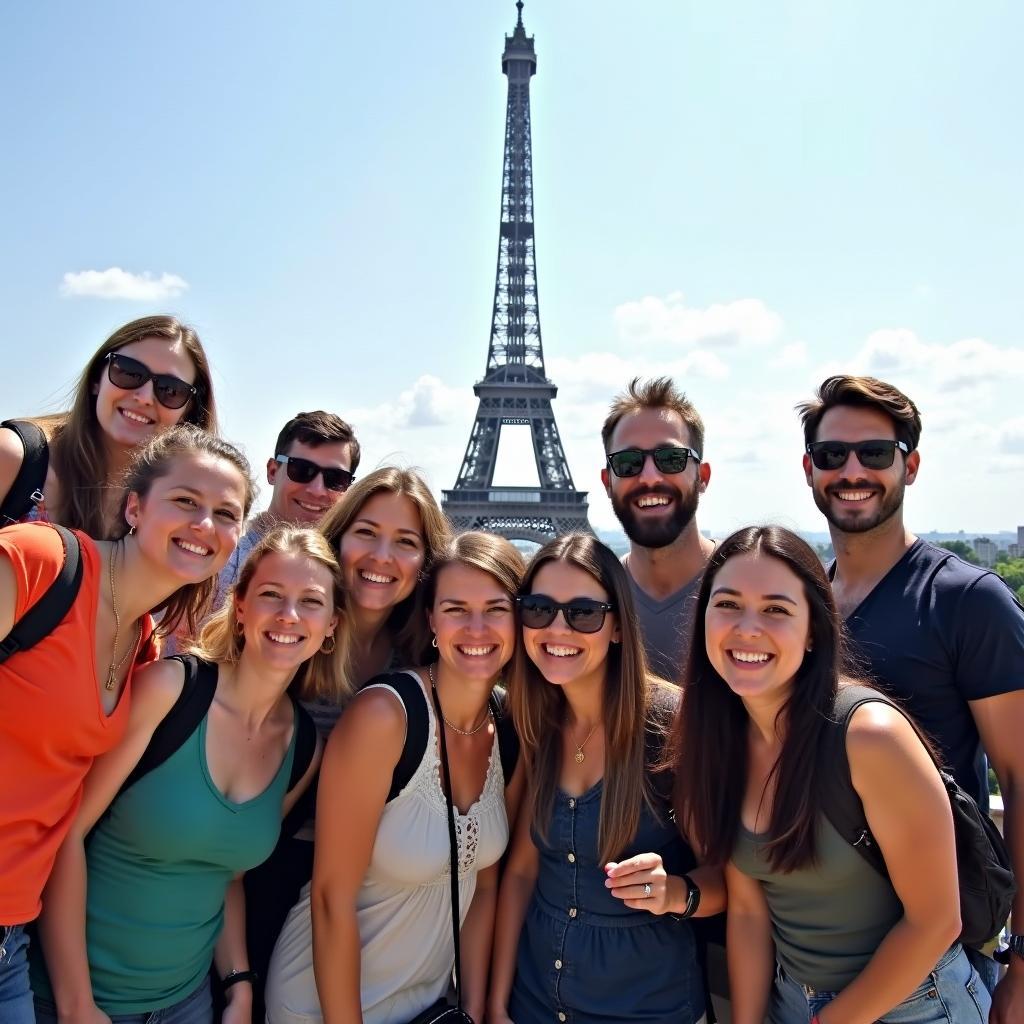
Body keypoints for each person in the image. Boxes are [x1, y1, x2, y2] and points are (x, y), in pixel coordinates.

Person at [673, 524, 988, 1023]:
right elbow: (752, 911)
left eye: (776, 609)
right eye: (727, 603)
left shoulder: (870, 736)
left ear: (815, 629)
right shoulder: (718, 740)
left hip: (914, 1004)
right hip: (792, 1001)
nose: (747, 627)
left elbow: (935, 920)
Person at [31, 524, 341, 1024]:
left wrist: (239, 985)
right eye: (271, 595)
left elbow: (226, 877)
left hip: (186, 1005)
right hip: (64, 999)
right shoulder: (171, 690)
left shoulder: (304, 748)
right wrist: (75, 1004)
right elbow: (65, 833)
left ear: (330, 626)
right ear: (240, 608)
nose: (288, 615)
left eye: (310, 601)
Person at [0, 424, 254, 1024]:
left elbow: (64, 821)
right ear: (135, 507)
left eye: (225, 512)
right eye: (186, 502)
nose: (204, 525)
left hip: (12, 934)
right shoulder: (39, 562)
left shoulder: (144, 647)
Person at [797, 375, 1024, 1008]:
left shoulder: (968, 602)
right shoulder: (803, 605)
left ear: (911, 465)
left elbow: (1021, 777)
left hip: (932, 964)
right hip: (811, 953)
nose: (852, 470)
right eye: (832, 454)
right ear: (808, 468)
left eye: (875, 453)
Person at [265, 530, 527, 1023]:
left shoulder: (509, 730)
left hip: (426, 1004)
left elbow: (484, 888)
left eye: (496, 608)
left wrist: (470, 1008)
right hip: (324, 1004)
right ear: (430, 620)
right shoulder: (385, 716)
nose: (476, 628)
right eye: (455, 609)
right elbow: (329, 898)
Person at [243, 467, 452, 1020]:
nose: (382, 556)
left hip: (364, 890)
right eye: (366, 532)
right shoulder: (286, 638)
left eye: (406, 542)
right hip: (257, 870)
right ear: (338, 535)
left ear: (426, 566)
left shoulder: (422, 667)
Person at [489, 533, 724, 1024]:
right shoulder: (533, 722)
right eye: (538, 609)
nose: (558, 628)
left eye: (583, 613)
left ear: (618, 625)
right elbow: (522, 874)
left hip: (643, 1010)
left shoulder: (671, 725)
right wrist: (495, 1001)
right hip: (533, 1004)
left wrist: (674, 892)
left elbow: (731, 885)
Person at [0, 315, 218, 536]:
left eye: (170, 390)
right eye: (128, 372)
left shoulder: (178, 514)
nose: (144, 397)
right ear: (97, 379)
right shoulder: (13, 456)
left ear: (187, 411)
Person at [600, 377, 714, 683]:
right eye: (627, 462)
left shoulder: (750, 591)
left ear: (702, 476)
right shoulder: (590, 602)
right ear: (606, 482)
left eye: (671, 459)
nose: (649, 477)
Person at [213, 410, 360, 609]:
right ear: (273, 471)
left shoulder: (348, 572)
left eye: (335, 479)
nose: (317, 490)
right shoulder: (223, 552)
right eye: (301, 470)